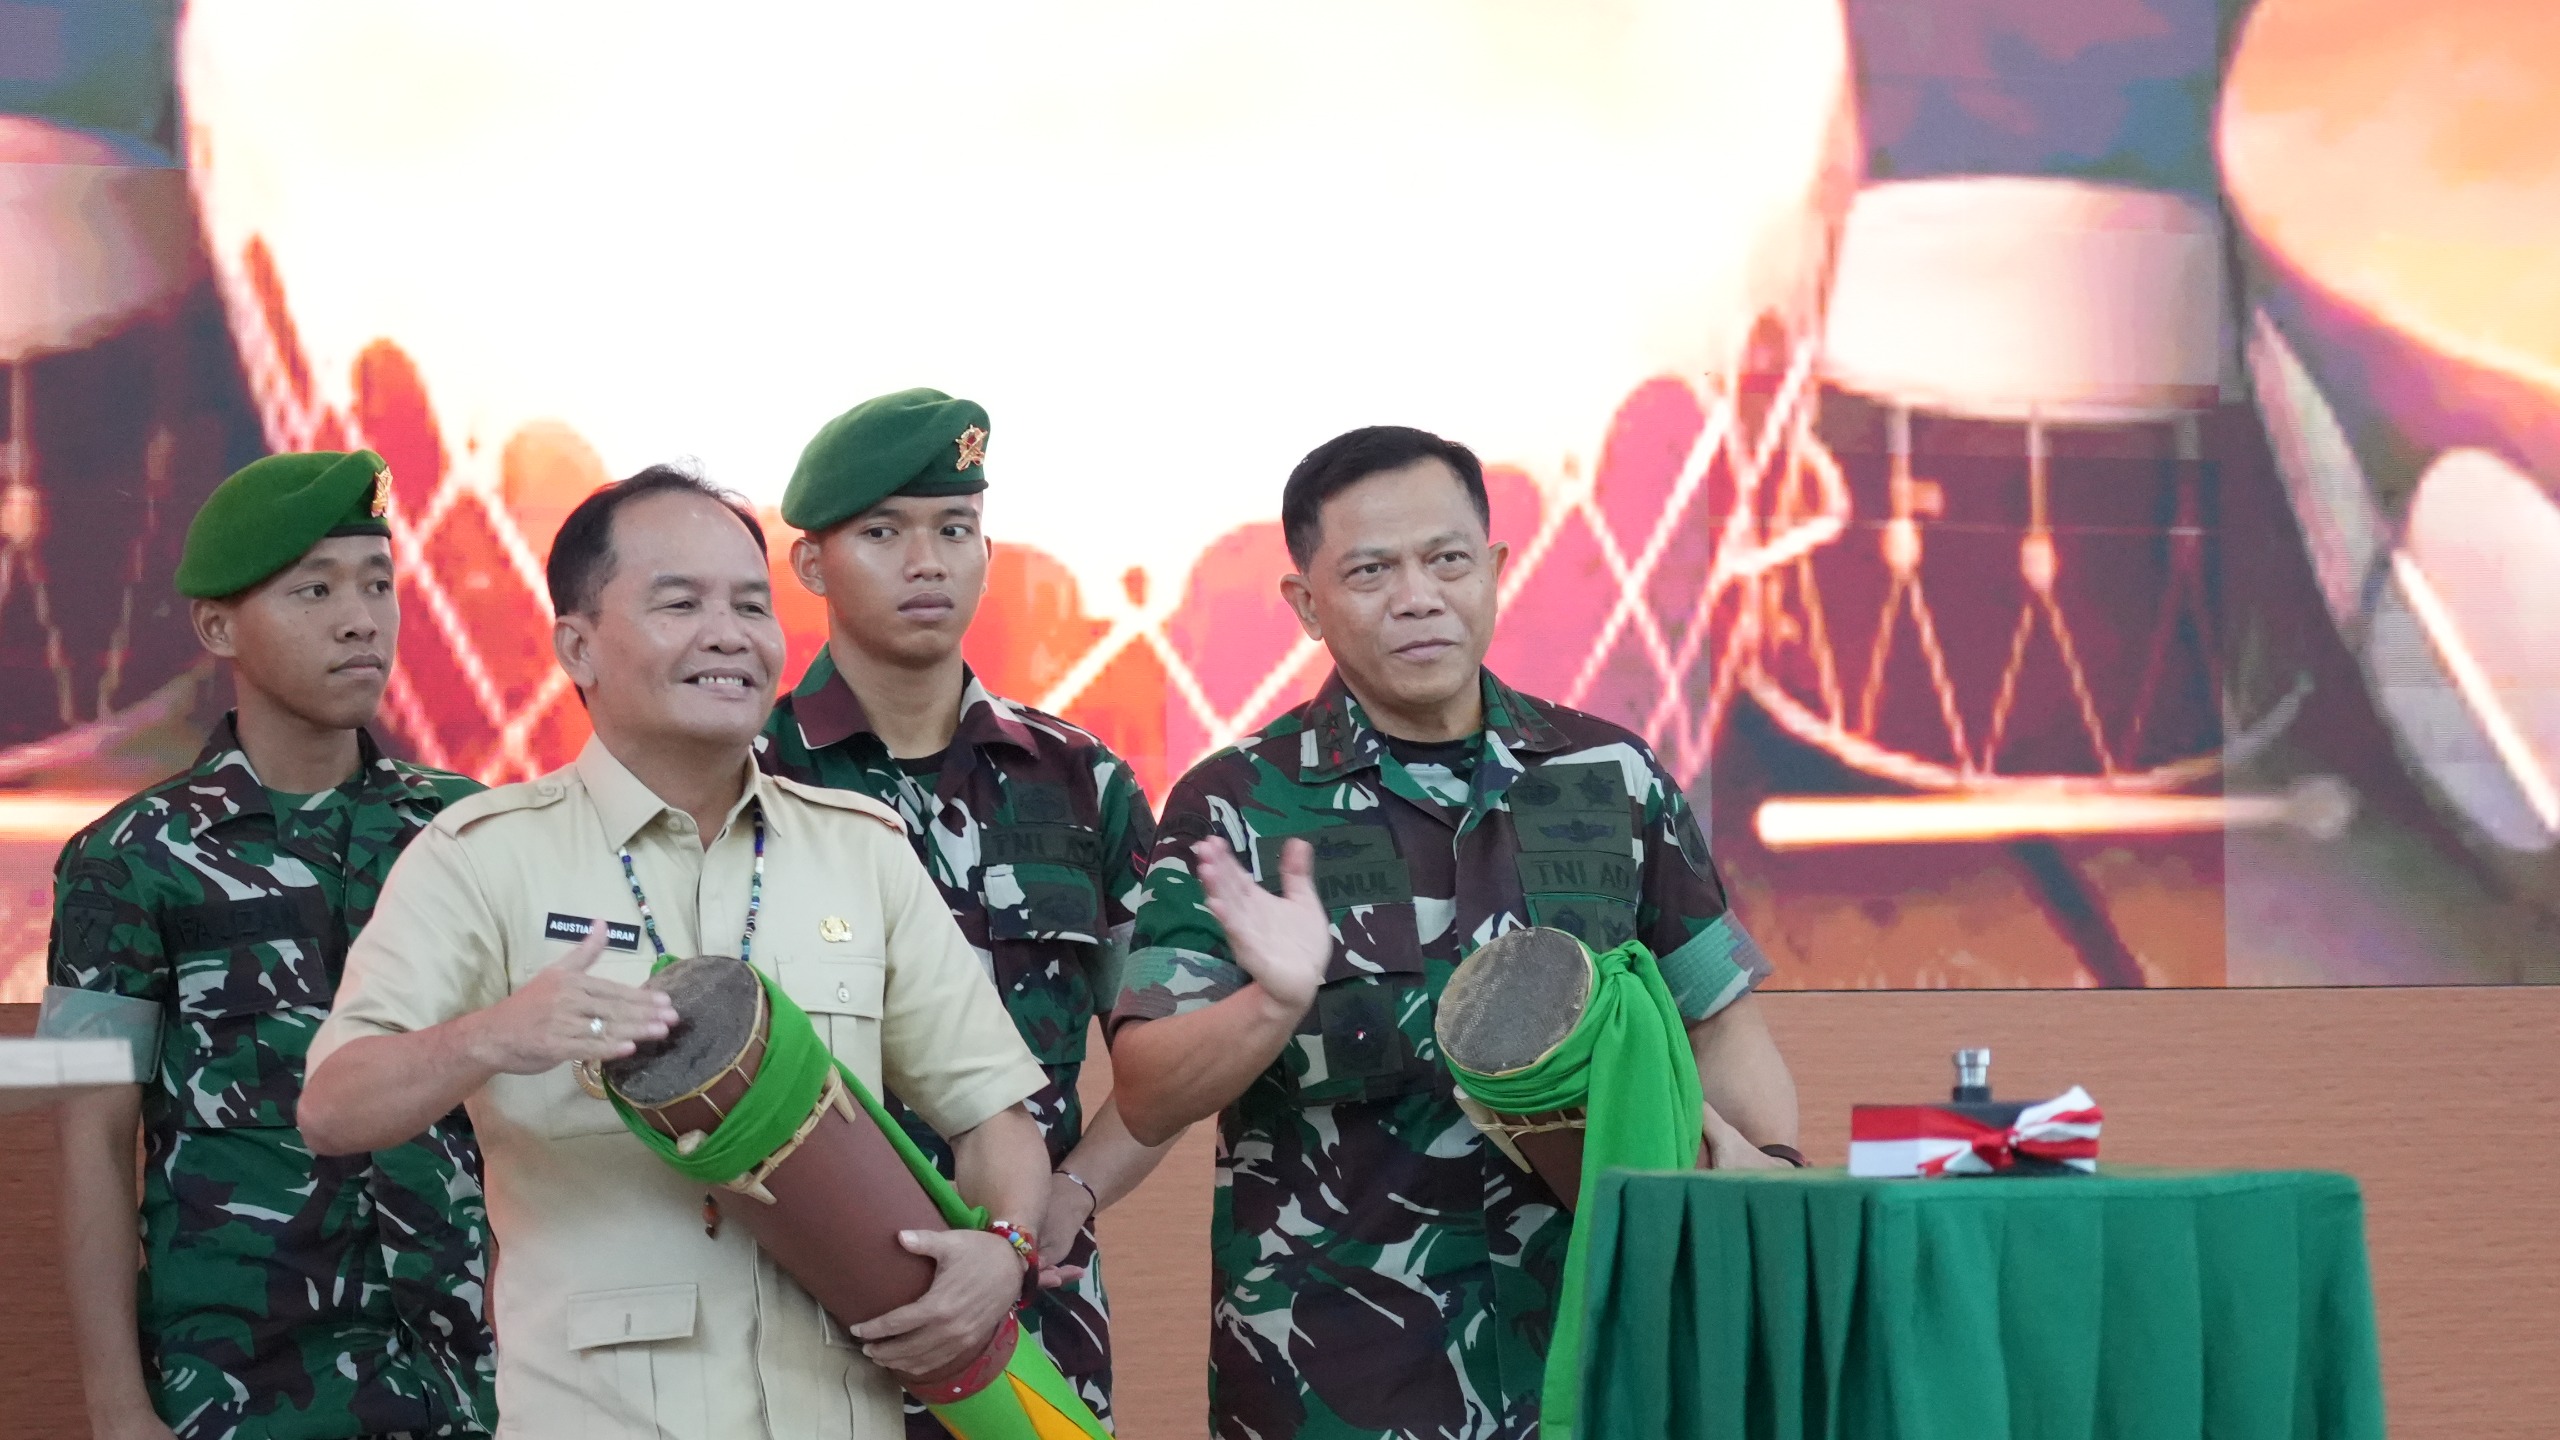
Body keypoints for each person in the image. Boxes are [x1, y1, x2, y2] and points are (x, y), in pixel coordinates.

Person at [291, 466, 1058, 1438]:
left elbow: (996, 1121)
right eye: (680, 604)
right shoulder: (483, 856)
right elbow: (333, 1106)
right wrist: (492, 1037)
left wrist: (1002, 1249)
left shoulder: (858, 851)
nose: (729, 635)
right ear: (578, 647)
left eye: (751, 605)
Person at [1107, 425, 1803, 1439]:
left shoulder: (1608, 776)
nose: (1418, 596)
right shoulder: (1238, 804)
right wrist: (1272, 1004)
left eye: (1446, 559)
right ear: (1306, 604)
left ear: (1495, 569)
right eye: (1370, 571)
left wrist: (1771, 1179)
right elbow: (1146, 1090)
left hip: (1597, 1358)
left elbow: (1718, 1022)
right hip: (1335, 1382)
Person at [39, 450, 497, 1440]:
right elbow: (88, 1138)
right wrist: (116, 1408)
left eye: (378, 584)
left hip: (467, 1383)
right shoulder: (122, 858)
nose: (360, 619)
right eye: (315, 590)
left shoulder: (466, 829)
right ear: (218, 628)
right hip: (243, 1389)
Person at [761, 388, 1175, 1433]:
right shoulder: (750, 778)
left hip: (1033, 1315)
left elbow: (1163, 1052)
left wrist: (1067, 1201)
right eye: (882, 533)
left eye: (954, 530)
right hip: (800, 1322)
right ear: (811, 564)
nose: (927, 563)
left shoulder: (1081, 782)